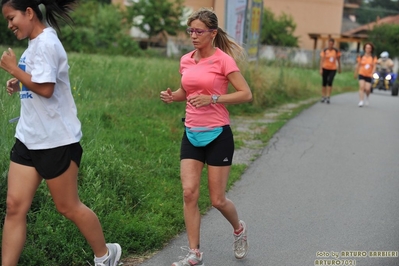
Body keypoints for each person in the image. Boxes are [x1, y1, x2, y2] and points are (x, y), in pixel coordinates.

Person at [0, 1, 121, 265]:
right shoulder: (34, 43)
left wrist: (14, 69)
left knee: (67, 207)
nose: (9, 25)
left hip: (56, 141)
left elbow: (46, 89)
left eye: (12, 18)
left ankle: (105, 255)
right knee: (14, 207)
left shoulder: (47, 43)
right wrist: (19, 79)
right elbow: (38, 80)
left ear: (29, 13)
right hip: (28, 138)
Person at [160, 7, 252, 266]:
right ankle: (194, 253)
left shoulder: (224, 60)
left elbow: (246, 94)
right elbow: (185, 92)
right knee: (189, 193)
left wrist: (214, 98)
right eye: (191, 30)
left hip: (218, 135)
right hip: (191, 133)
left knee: (217, 199)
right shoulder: (186, 59)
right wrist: (172, 96)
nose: (193, 36)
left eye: (199, 31)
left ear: (212, 33)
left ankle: (238, 229)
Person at [354, 42, 377, 107]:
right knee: (361, 87)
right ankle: (361, 101)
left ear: (371, 49)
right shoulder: (361, 56)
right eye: (367, 48)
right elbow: (358, 65)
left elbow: (374, 66)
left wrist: (373, 72)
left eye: (369, 48)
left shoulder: (373, 57)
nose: (368, 49)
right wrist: (355, 73)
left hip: (369, 75)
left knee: (367, 89)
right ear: (364, 48)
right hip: (361, 73)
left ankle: (367, 97)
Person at [319, 38, 341, 104]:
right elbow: (322, 60)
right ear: (328, 43)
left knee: (330, 81)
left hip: (333, 68)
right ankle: (323, 96)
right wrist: (320, 69)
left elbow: (338, 60)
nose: (330, 45)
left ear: (333, 44)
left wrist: (339, 67)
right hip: (325, 67)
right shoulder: (325, 50)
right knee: (324, 82)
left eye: (332, 44)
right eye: (329, 43)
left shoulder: (336, 51)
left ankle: (328, 96)